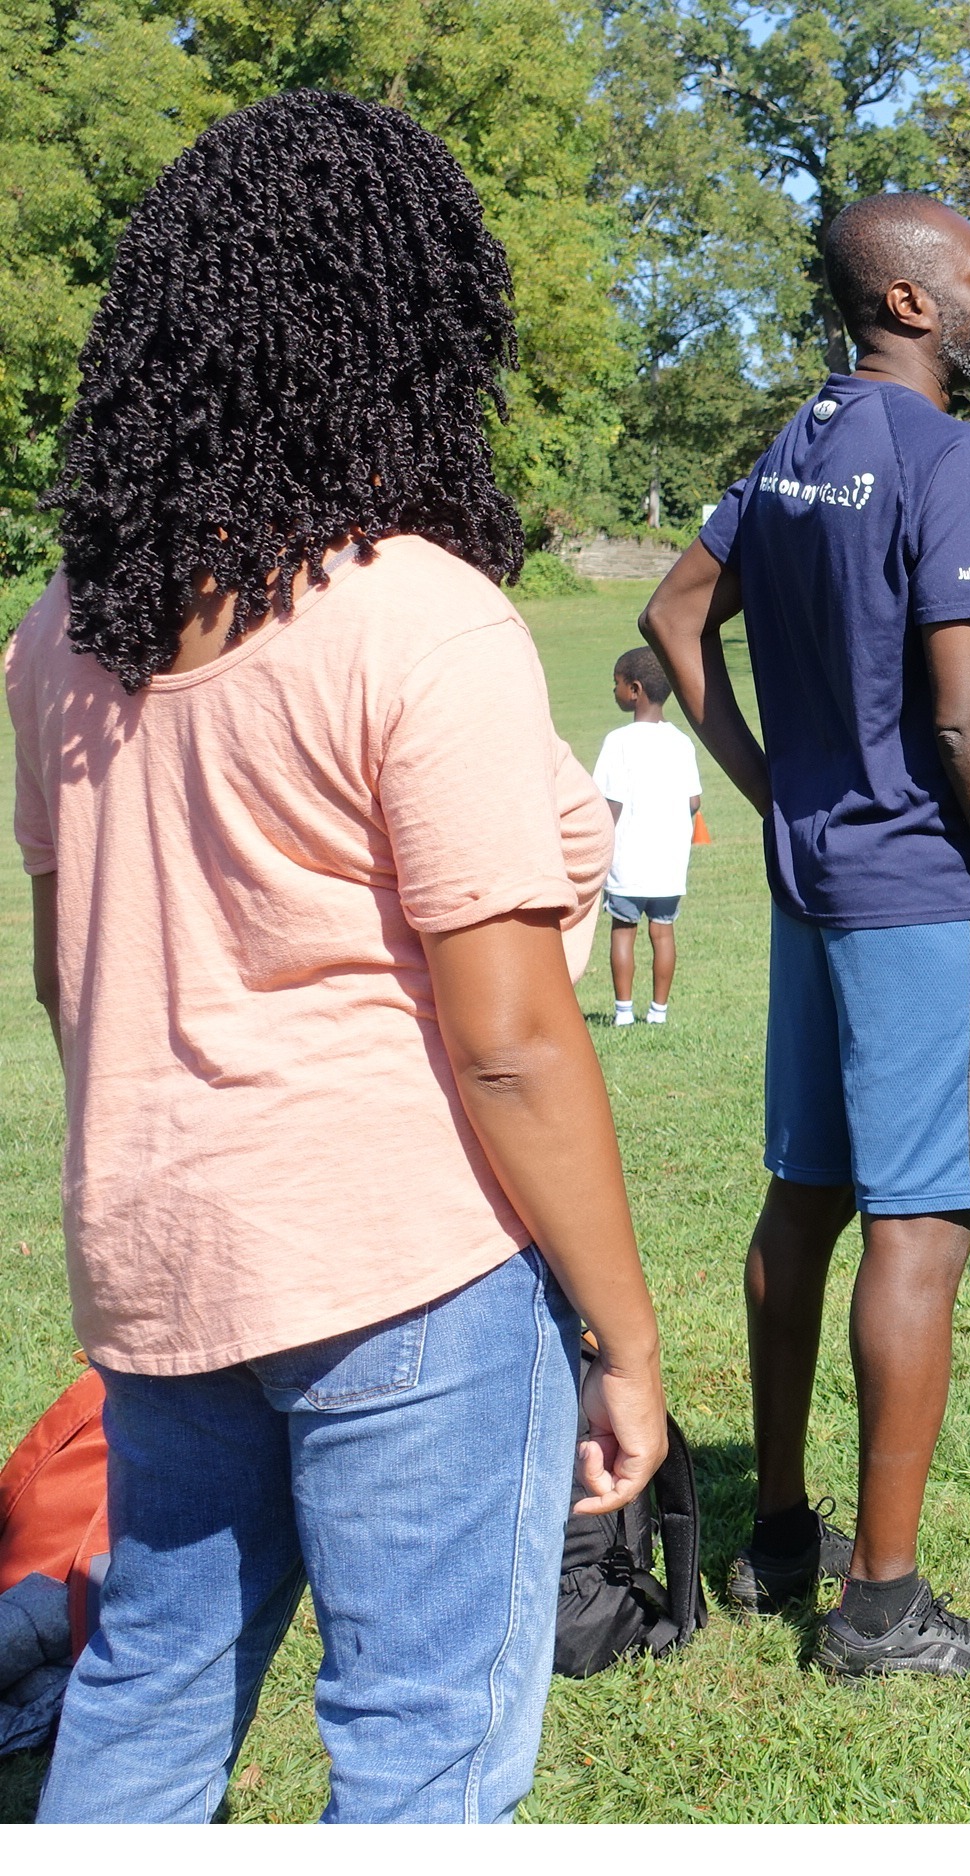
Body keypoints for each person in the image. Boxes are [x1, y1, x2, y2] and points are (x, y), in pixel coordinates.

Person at [7, 91, 667, 1822]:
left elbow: (70, 977)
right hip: (405, 1266)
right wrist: (627, 1340)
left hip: (160, 1256)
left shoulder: (63, 630)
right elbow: (512, 1039)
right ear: (411, 325)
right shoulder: (417, 615)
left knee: (147, 1690)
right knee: (420, 1744)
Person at [640, 192, 970, 1678]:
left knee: (807, 1199)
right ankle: (881, 1607)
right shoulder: (953, 461)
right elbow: (965, 721)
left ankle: (780, 1537)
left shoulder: (793, 445)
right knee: (922, 1224)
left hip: (817, 886)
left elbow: (672, 620)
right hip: (921, 894)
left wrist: (776, 791)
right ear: (910, 304)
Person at [595, 645, 705, 1026]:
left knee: (623, 931)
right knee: (663, 933)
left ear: (635, 690)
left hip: (628, 862)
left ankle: (623, 1013)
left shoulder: (618, 742)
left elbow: (609, 805)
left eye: (616, 683)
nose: (614, 690)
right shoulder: (682, 742)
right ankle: (659, 1013)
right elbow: (693, 801)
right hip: (668, 864)